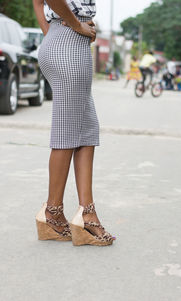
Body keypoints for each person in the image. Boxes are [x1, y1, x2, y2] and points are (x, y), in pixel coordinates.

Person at [33, 0, 115, 246]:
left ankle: (84, 213)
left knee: (87, 130)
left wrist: (55, 35)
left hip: (63, 40)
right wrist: (74, 25)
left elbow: (37, 2)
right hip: (68, 43)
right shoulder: (71, 26)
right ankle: (53, 213)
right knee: (67, 133)